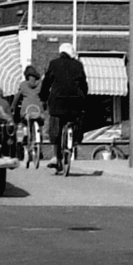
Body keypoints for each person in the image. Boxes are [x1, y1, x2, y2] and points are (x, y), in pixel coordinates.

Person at [38, 44, 89, 175]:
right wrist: (84, 98)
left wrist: (43, 98)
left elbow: (46, 83)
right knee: (76, 120)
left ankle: (56, 156)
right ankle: (74, 141)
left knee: (55, 128)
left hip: (57, 102)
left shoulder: (54, 64)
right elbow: (83, 84)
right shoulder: (78, 65)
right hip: (75, 102)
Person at [16, 64, 46, 169]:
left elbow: (17, 97)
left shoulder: (23, 85)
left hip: (26, 111)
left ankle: (25, 142)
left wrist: (13, 107)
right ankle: (39, 144)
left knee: (24, 124)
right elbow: (44, 96)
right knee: (40, 125)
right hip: (38, 110)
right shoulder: (41, 84)